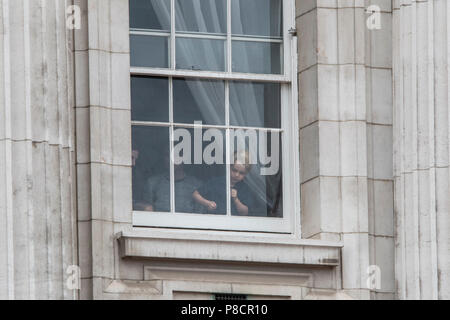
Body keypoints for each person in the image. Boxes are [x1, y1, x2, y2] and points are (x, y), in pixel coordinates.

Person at [193, 151, 254, 216]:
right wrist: (207, 203)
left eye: (241, 173)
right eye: (234, 170)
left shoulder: (245, 188)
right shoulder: (216, 182)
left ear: (246, 174)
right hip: (215, 222)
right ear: (229, 167)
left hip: (235, 224)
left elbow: (244, 212)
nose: (237, 175)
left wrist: (236, 199)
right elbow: (195, 194)